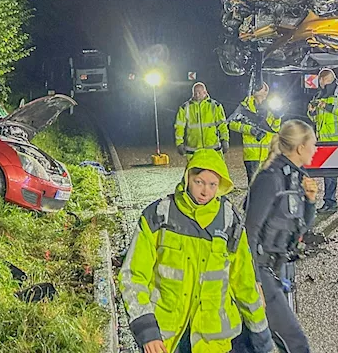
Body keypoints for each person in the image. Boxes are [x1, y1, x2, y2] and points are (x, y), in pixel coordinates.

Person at [120, 149, 273, 353]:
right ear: (187, 177)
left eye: (212, 184)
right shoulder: (158, 216)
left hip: (214, 342)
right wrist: (146, 329)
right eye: (199, 182)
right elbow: (133, 276)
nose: (205, 192)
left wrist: (261, 333)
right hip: (166, 339)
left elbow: (244, 280)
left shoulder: (229, 222)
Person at [238, 120, 319, 353]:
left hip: (279, 267)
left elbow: (300, 229)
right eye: (313, 144)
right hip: (262, 270)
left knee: (253, 341)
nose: (315, 149)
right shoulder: (270, 178)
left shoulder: (295, 177)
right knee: (295, 343)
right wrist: (254, 281)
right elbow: (249, 232)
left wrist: (311, 201)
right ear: (300, 148)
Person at [308, 67, 338, 214]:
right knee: (328, 175)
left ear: (323, 79)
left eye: (320, 81)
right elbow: (316, 119)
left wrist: (326, 106)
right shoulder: (320, 95)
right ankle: (330, 204)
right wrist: (311, 111)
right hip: (325, 142)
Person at [230, 82, 280, 184]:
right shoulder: (245, 106)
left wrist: (277, 117)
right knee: (254, 186)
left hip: (267, 155)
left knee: (268, 185)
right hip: (252, 155)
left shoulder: (271, 108)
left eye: (264, 88)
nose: (262, 90)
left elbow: (275, 128)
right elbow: (232, 124)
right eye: (259, 87)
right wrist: (250, 130)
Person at [175, 82, 229, 157]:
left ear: (205, 92)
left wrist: (225, 139)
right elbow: (179, 127)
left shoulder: (215, 106)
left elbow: (222, 125)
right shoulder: (185, 108)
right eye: (195, 93)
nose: (197, 95)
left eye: (199, 92)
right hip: (193, 151)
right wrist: (179, 143)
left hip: (213, 150)